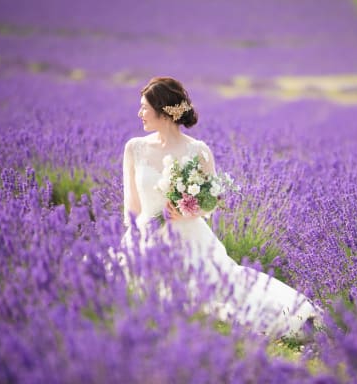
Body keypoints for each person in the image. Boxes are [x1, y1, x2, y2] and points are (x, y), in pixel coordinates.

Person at [122, 76, 320, 338]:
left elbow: (210, 202)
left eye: (145, 107)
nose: (140, 113)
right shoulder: (134, 148)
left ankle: (290, 317)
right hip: (145, 238)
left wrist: (184, 213)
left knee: (215, 292)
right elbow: (132, 209)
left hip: (188, 237)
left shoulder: (198, 150)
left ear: (165, 111)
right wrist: (135, 240)